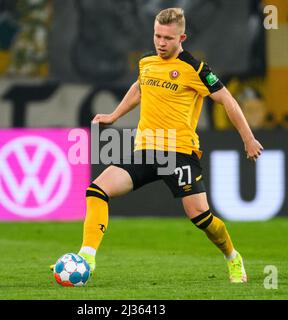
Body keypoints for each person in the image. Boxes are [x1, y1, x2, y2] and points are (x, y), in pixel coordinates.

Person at [69, 8, 263, 283]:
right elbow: (139, 87)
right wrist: (114, 115)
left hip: (179, 154)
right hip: (146, 150)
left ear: (181, 37)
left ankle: (233, 257)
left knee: (201, 218)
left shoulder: (195, 68)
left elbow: (228, 101)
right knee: (96, 190)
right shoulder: (147, 61)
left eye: (168, 38)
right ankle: (87, 257)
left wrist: (248, 138)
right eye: (157, 36)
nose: (161, 43)